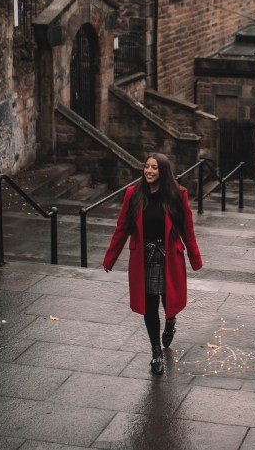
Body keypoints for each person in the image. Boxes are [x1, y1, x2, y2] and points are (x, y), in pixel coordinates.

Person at [102, 152, 202, 374]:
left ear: (163, 172)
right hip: (144, 259)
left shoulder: (178, 194)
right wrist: (110, 258)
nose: (148, 171)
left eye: (154, 168)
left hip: (169, 258)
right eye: (146, 166)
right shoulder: (133, 194)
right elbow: (122, 227)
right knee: (149, 306)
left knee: (169, 302)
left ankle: (171, 322)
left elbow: (187, 229)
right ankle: (156, 352)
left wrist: (195, 258)